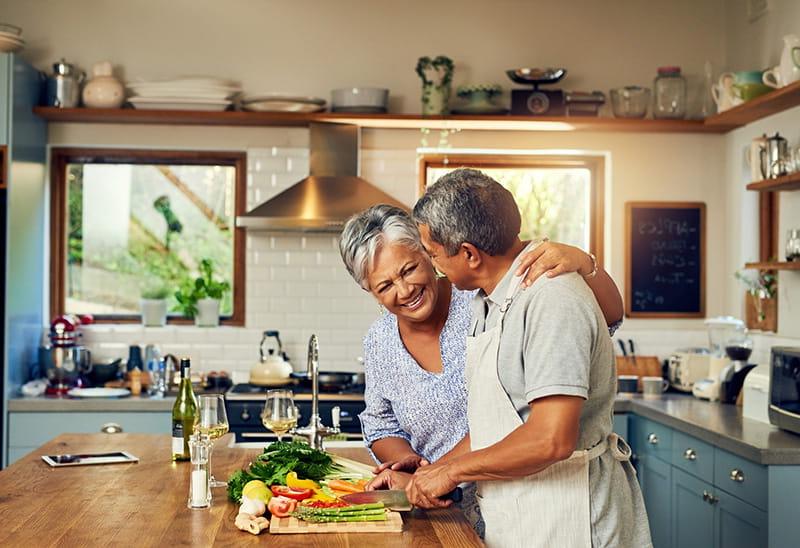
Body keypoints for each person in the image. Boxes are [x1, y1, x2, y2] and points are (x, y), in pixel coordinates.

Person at [399, 168, 651, 547]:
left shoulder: (551, 297)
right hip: (525, 514)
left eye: (434, 255)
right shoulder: (488, 299)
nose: (434, 268)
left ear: (468, 254)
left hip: (573, 520)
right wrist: (434, 471)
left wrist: (453, 473)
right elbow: (500, 423)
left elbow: (551, 439)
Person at [338, 203, 625, 536]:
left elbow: (606, 317)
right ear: (369, 291)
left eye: (408, 270)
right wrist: (417, 469)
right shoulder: (379, 339)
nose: (404, 291)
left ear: (428, 253)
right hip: (435, 503)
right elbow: (380, 421)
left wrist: (585, 263)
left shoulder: (481, 296)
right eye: (384, 286)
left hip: (523, 495)